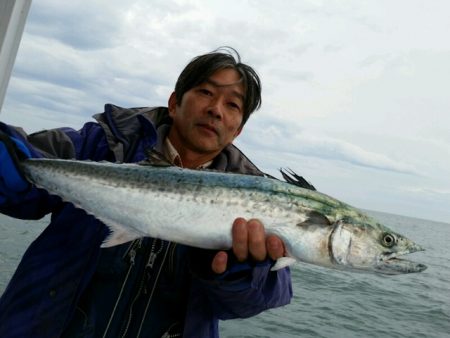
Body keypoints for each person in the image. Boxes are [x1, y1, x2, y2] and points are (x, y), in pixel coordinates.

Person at [0, 47, 292, 337]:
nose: (216, 109)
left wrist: (238, 271)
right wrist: (10, 159)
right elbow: (30, 163)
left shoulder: (260, 200)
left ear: (237, 130)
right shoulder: (106, 145)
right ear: (175, 103)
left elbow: (254, 301)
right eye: (205, 92)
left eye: (233, 105)